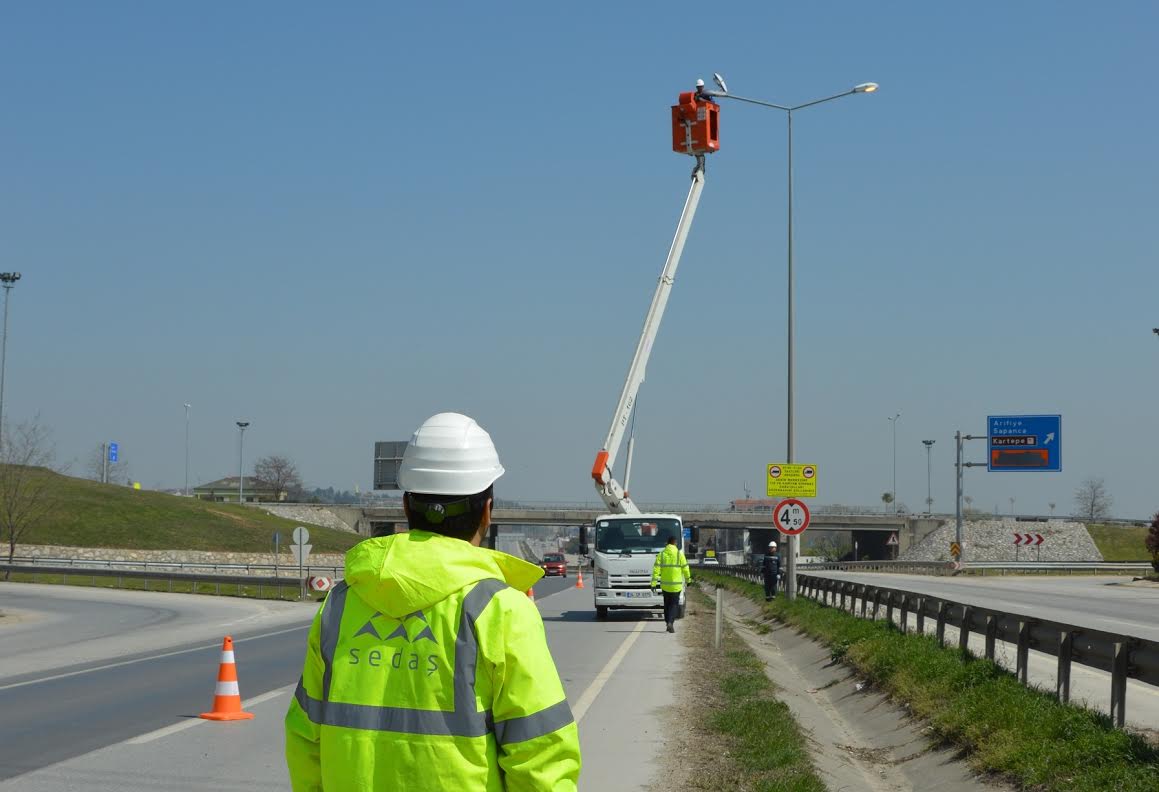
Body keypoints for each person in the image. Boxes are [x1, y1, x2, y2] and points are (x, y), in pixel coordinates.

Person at [285, 412, 581, 791]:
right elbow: (541, 758)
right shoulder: (500, 611)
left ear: (406, 507)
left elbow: (304, 738)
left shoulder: (342, 604)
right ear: (487, 511)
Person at [651, 535, 691, 633]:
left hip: (665, 585)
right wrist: (688, 580)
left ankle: (667, 622)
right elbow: (685, 568)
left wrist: (653, 583)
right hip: (676, 586)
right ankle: (670, 622)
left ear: (667, 543)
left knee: (667, 604)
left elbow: (656, 570)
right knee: (674, 605)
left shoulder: (661, 554)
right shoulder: (679, 554)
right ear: (675, 543)